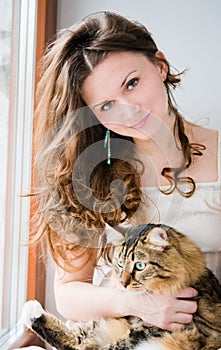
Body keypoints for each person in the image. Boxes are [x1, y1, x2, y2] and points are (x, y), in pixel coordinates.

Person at [29, 10, 220, 341]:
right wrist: (135, 303)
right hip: (114, 338)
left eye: (132, 83)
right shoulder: (90, 176)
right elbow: (69, 295)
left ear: (160, 66)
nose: (129, 111)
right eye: (106, 106)